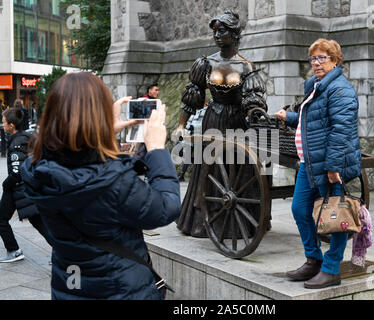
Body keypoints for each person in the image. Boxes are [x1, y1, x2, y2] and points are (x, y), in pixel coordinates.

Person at [20, 72, 181, 300]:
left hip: (70, 284)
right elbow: (167, 208)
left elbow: (70, 156)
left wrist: (104, 131)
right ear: (99, 115)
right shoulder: (112, 181)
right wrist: (155, 148)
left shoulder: (35, 169)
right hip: (120, 290)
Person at [275, 38, 361, 289]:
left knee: (336, 216)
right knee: (300, 210)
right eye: (313, 58)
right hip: (309, 163)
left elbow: (341, 130)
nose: (316, 63)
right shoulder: (317, 86)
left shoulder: (340, 90)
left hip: (329, 165)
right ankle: (313, 259)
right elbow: (312, 122)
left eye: (322, 58)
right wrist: (290, 117)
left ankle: (332, 268)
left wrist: (334, 168)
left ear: (335, 61)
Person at [173, 9, 267, 237]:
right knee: (209, 167)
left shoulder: (246, 66)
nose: (217, 35)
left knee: (236, 169)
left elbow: (253, 99)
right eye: (215, 30)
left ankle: (237, 221)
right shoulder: (205, 63)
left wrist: (255, 111)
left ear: (234, 34)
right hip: (213, 119)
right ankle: (203, 220)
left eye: (222, 30)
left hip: (237, 123)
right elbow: (192, 96)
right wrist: (181, 125)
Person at [0, 108, 52, 263]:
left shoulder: (17, 142)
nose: (2, 125)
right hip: (22, 188)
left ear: (11, 125)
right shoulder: (25, 138)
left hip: (18, 188)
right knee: (37, 221)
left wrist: (5, 183)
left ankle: (14, 251)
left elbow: (17, 171)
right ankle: (14, 250)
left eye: (3, 122)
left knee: (3, 220)